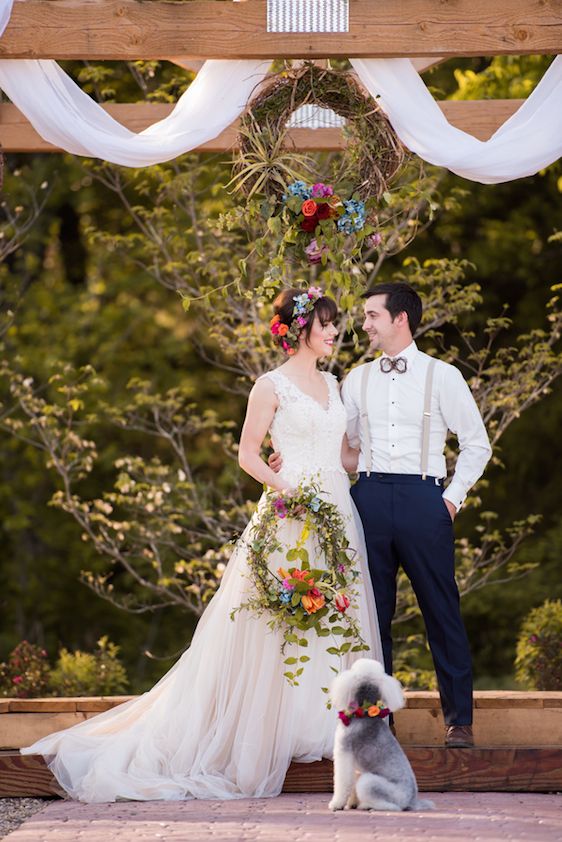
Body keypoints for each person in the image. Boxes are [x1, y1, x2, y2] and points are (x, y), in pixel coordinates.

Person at [21, 287, 383, 802]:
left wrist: (384, 447)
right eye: (325, 324)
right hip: (290, 510)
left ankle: (324, 729)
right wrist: (290, 491)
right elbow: (248, 455)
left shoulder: (335, 383)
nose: (333, 332)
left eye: (334, 325)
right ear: (299, 329)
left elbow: (345, 457)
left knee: (334, 614)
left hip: (338, 511)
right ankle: (264, 733)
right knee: (277, 619)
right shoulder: (270, 384)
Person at [341, 282, 492, 747]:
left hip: (425, 500)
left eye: (372, 316)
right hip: (367, 497)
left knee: (442, 612)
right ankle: (377, 722)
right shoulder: (355, 379)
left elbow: (477, 444)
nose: (364, 324)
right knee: (371, 616)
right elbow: (346, 451)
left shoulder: (443, 376)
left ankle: (459, 722)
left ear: (399, 318)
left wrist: (450, 500)